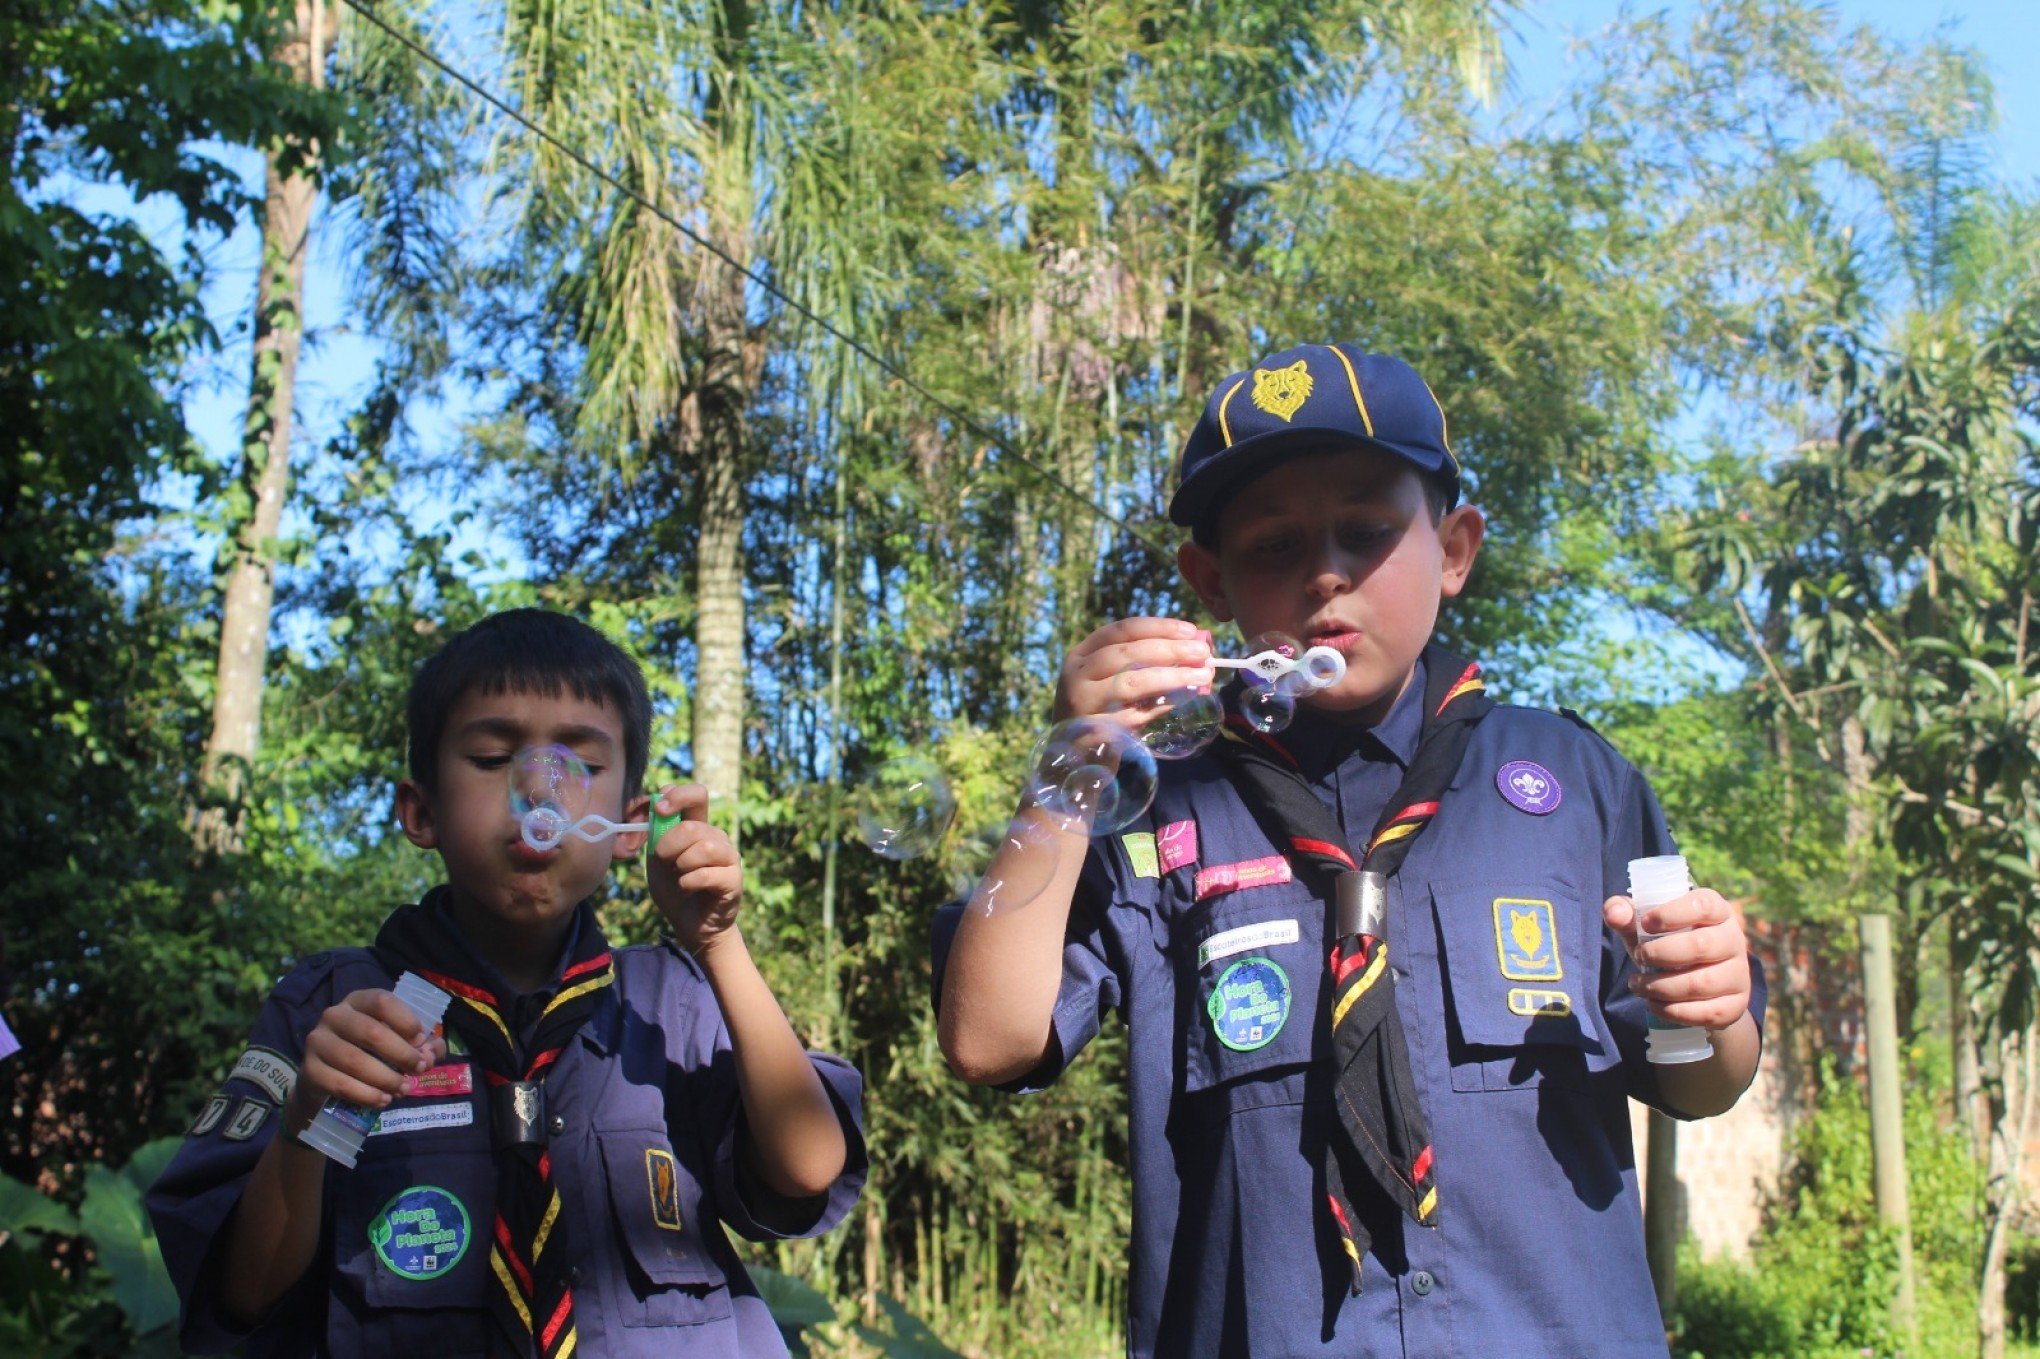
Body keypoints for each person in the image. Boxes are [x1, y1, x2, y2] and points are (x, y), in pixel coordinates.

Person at [933, 343, 1765, 1358]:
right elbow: (990, 1037)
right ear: (1212, 581)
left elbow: (1698, 1078)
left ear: (1454, 550)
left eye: (1367, 531)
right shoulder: (1153, 805)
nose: (1324, 572)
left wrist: (1714, 1006)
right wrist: (1070, 768)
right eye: (1274, 548)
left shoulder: (1572, 782)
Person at [149, 608, 866, 1357]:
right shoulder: (340, 1011)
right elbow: (243, 1292)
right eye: (495, 758)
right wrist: (309, 1124)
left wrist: (719, 942)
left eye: (580, 765)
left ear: (629, 827)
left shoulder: (671, 999)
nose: (540, 798)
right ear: (420, 811)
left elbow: (807, 1166)